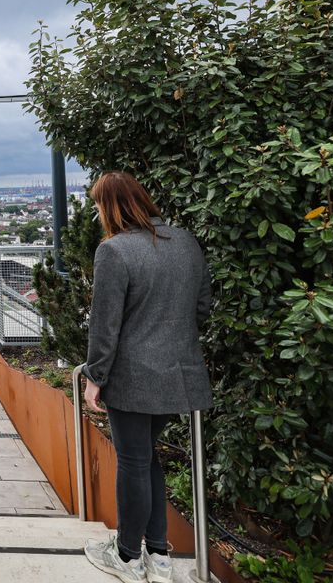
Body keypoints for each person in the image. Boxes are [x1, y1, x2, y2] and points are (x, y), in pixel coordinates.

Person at [81, 172, 213, 583]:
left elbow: (105, 325)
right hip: (180, 374)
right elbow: (203, 307)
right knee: (146, 458)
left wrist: (94, 377)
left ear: (110, 206)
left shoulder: (115, 251)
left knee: (134, 461)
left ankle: (126, 557)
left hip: (133, 377)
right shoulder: (186, 242)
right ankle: (158, 555)